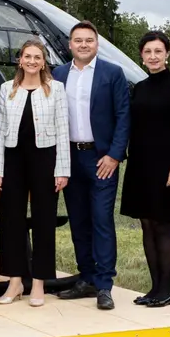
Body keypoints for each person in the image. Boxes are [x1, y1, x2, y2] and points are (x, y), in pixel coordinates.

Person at [52, 21, 131, 310]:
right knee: (79, 220)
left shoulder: (112, 73)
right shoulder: (58, 74)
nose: (83, 45)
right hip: (69, 158)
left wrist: (114, 155)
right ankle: (86, 278)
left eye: (89, 40)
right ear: (70, 44)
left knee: (101, 220)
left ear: (96, 44)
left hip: (101, 159)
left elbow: (123, 116)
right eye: (78, 40)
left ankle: (104, 285)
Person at [0, 39, 70, 307]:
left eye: (37, 57)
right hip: (13, 159)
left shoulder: (56, 89)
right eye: (27, 56)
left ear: (43, 62)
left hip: (45, 159)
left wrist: (62, 170)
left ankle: (38, 283)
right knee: (11, 220)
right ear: (20, 60)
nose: (32, 61)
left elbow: (63, 130)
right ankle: (15, 282)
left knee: (44, 220)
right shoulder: (7, 89)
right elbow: (0, 129)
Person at [120, 30, 170, 308]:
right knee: (146, 225)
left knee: (162, 225)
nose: (153, 56)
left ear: (167, 54)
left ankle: (166, 290)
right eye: (148, 52)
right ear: (141, 56)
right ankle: (154, 289)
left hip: (166, 168)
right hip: (140, 166)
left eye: (158, 51)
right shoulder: (139, 88)